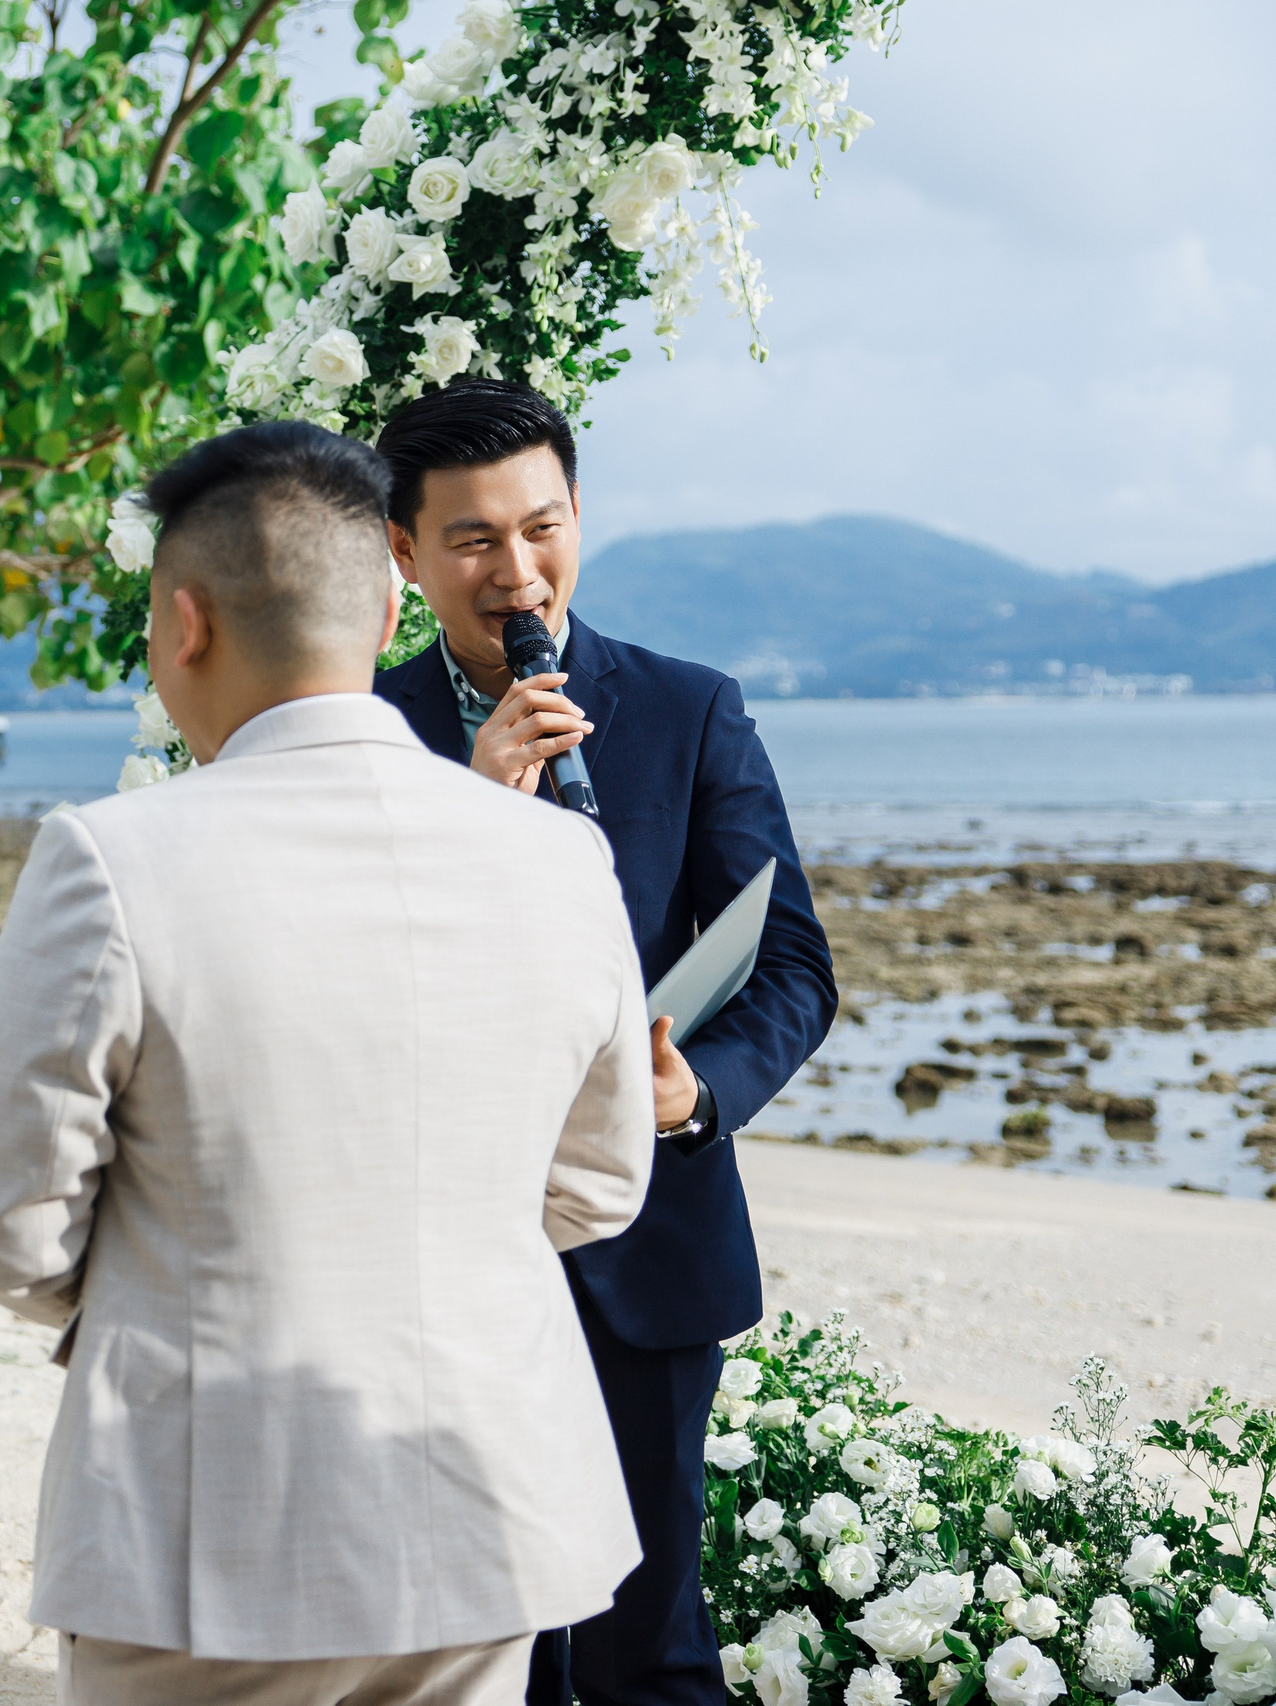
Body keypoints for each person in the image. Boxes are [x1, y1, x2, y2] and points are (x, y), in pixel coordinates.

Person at [0, 421, 660, 1706]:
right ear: (386, 610)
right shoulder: (559, 855)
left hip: (207, 1509)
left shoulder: (112, 856)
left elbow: (1, 1225)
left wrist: (180, 1285)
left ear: (183, 623)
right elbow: (602, 1181)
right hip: (483, 1499)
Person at [368, 379, 838, 1706]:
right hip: (434, 1259)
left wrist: (698, 1091)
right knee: (476, 1649)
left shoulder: (691, 708)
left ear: (578, 514)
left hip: (652, 1239)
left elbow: (793, 967)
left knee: (653, 1650)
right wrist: (477, 806)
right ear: (403, 551)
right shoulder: (366, 731)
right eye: (473, 539)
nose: (517, 573)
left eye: (542, 527)